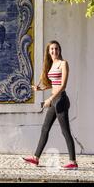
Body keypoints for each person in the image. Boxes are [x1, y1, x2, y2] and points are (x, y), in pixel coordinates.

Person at [23, 40, 78, 170]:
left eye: (56, 49)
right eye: (52, 49)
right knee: (45, 129)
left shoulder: (63, 64)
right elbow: (53, 84)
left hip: (61, 100)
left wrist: (50, 99)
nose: (54, 51)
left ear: (60, 50)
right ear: (49, 51)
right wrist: (40, 89)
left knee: (65, 131)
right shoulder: (52, 65)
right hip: (54, 100)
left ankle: (73, 162)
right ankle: (35, 158)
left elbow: (63, 85)